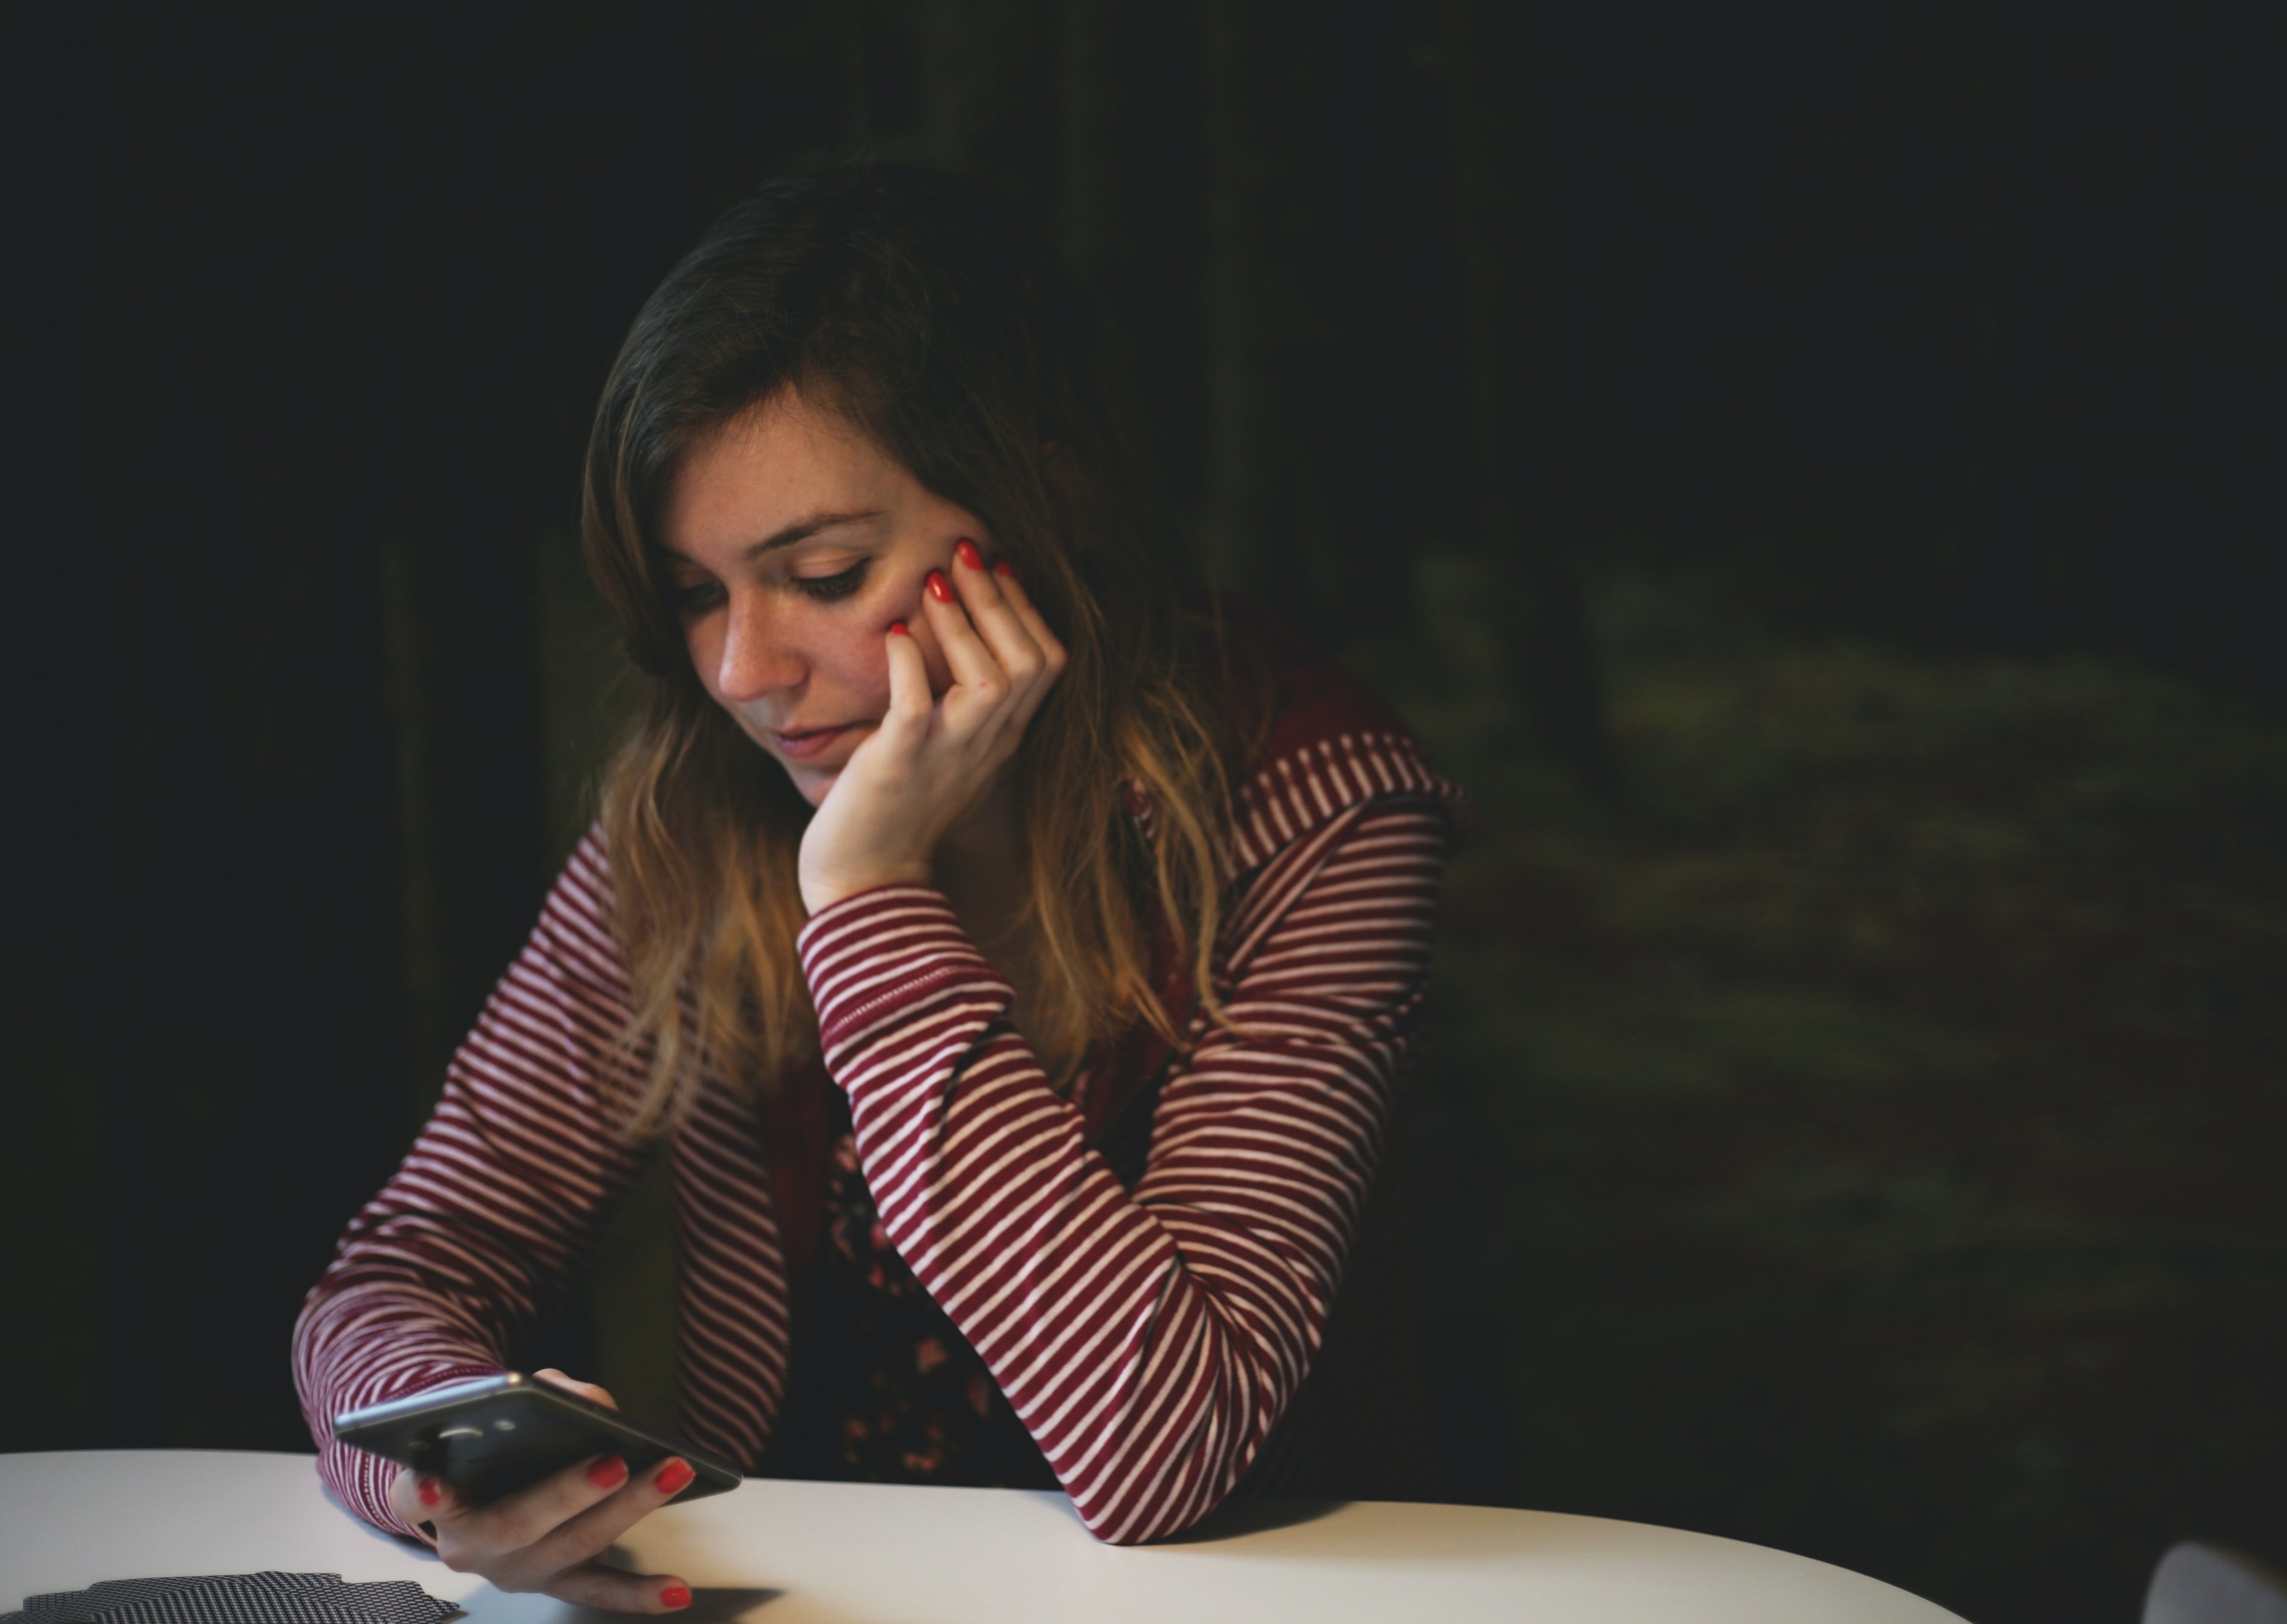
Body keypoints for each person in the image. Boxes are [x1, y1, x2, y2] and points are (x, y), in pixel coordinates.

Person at [293, 166, 1462, 1611]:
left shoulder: (1313, 807)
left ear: (1049, 496)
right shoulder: (692, 813)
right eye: (697, 593)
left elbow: (1164, 1451)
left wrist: (865, 894)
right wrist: (444, 1466)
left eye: (825, 573)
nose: (742, 674)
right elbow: (403, 1269)